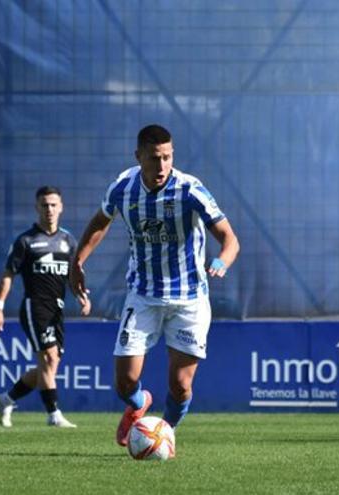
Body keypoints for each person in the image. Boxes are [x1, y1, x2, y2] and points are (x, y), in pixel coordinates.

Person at [70, 124, 239, 447]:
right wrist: (79, 260)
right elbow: (100, 222)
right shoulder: (123, 187)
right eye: (154, 158)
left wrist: (222, 261)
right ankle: (138, 404)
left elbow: (230, 238)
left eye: (167, 157)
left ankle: (164, 434)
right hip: (143, 295)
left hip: (189, 298)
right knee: (125, 382)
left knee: (180, 386)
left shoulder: (190, 190)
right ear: (139, 157)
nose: (161, 166)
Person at [0, 186, 89, 428]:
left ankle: (6, 399)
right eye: (44, 205)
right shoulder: (26, 241)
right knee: (47, 356)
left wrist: (82, 295)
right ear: (37, 208)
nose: (49, 209)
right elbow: (8, 275)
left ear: (61, 207)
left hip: (57, 308)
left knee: (50, 366)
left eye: (54, 204)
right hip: (35, 306)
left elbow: (74, 275)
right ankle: (53, 414)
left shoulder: (68, 241)